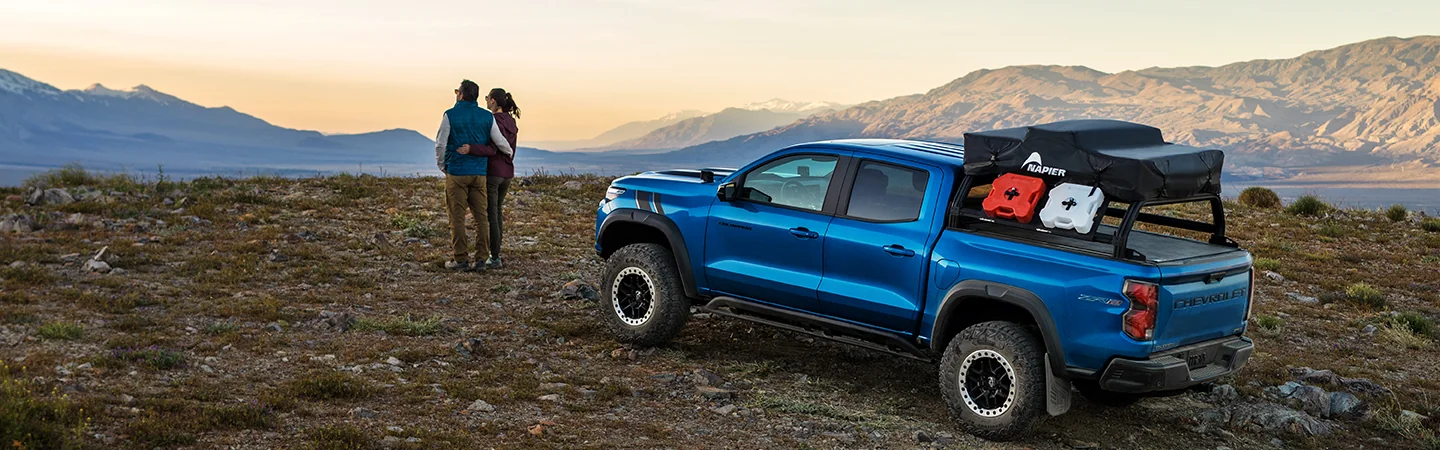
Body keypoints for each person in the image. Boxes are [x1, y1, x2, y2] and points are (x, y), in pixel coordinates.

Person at [434, 80, 513, 271]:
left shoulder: (450, 115)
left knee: (457, 217)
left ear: (460, 95)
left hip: (457, 171)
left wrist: (442, 165)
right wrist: (509, 151)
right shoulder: (487, 117)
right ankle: (481, 259)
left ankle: (460, 259)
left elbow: (441, 144)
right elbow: (499, 141)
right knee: (481, 217)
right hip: (479, 173)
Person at [461, 88, 519, 269]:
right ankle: (496, 252)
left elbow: (492, 148)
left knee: (491, 215)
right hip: (507, 173)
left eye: (487, 98)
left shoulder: (494, 121)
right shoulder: (511, 121)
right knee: (498, 212)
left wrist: (471, 148)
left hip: (493, 172)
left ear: (493, 101)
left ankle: (494, 257)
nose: (485, 100)